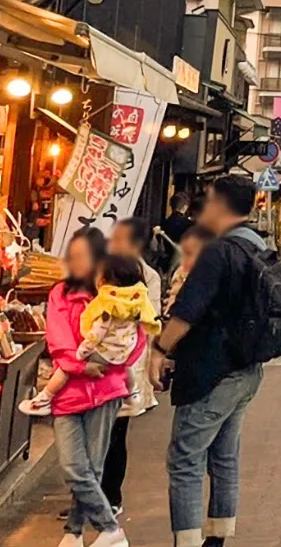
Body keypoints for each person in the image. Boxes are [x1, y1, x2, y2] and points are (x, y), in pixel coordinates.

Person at [151, 174, 268, 547]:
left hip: (210, 372)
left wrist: (160, 350)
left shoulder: (218, 251)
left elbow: (188, 311)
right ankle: (217, 539)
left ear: (219, 205)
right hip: (246, 369)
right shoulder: (257, 247)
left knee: (185, 461)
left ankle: (186, 543)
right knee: (225, 456)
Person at [40, 228, 140, 547]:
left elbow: (137, 339)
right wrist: (82, 366)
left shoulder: (119, 293)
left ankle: (73, 532)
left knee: (93, 468)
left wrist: (114, 364)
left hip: (105, 390)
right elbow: (58, 340)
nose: (77, 262)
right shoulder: (60, 293)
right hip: (70, 390)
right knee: (73, 467)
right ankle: (111, 529)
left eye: (83, 256)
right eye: (73, 255)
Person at [20, 253, 158, 416]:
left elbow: (95, 334)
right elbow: (146, 329)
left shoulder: (106, 305)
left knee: (63, 373)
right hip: (100, 380)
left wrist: (81, 359)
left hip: (100, 386)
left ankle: (44, 398)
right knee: (128, 370)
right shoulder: (135, 304)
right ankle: (133, 394)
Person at [99, 218, 164, 513]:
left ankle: (111, 497)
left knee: (115, 434)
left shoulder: (147, 277)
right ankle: (89, 495)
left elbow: (150, 321)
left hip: (126, 367)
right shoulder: (102, 268)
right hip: (97, 361)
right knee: (93, 434)